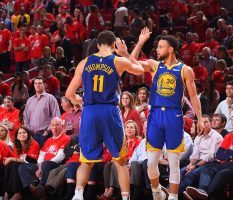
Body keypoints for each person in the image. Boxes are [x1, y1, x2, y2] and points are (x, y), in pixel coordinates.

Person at [65, 30, 144, 200]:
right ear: (113, 44)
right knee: (120, 161)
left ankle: (78, 193)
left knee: (86, 161)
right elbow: (139, 71)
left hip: (90, 111)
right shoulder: (118, 60)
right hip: (109, 111)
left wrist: (80, 101)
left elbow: (69, 94)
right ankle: (125, 197)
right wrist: (125, 53)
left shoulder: (84, 63)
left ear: (97, 44)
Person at [130, 27, 204, 200]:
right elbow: (131, 63)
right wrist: (140, 42)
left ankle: (172, 196)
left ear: (170, 49)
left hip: (173, 116)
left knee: (173, 161)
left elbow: (193, 97)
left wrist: (200, 118)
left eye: (160, 46)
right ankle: (156, 190)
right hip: (155, 115)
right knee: (151, 162)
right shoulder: (155, 66)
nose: (157, 49)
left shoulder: (185, 70)